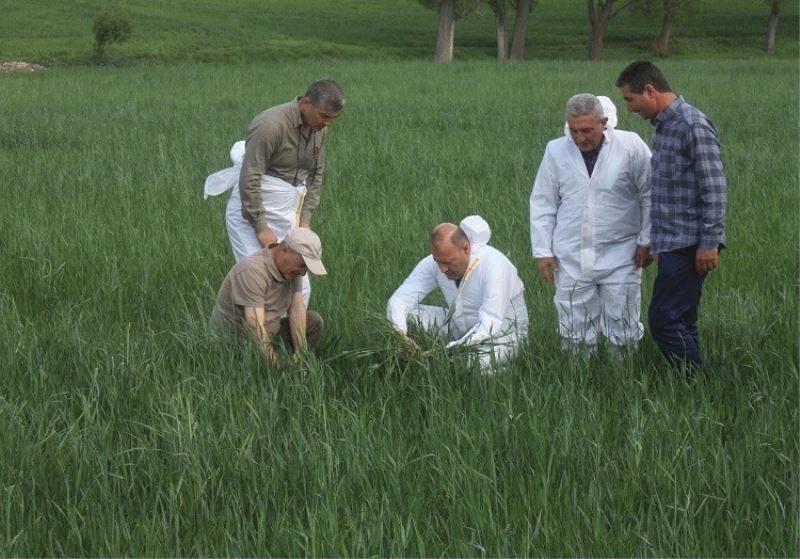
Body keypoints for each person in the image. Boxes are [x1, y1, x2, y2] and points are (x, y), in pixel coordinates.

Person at [616, 61, 727, 370]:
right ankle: (694, 387)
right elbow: (666, 193)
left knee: (663, 319)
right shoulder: (665, 127)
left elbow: (714, 187)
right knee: (683, 318)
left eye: (630, 99)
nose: (629, 108)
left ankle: (696, 379)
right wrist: (653, 242)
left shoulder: (692, 124)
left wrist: (709, 243)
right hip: (672, 243)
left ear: (650, 91)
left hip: (690, 243)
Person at [530, 94, 653, 358]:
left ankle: (622, 373)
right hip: (570, 252)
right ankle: (578, 374)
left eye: (586, 130)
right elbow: (543, 201)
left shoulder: (630, 146)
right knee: (573, 325)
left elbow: (650, 194)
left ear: (603, 123)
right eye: (573, 130)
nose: (579, 138)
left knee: (623, 322)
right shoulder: (556, 150)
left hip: (623, 252)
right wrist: (543, 251)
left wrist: (647, 240)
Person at [204, 78, 345, 306]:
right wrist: (261, 227)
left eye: (332, 119)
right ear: (306, 103)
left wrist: (305, 221)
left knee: (300, 284)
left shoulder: (319, 130)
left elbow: (315, 176)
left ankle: (292, 330)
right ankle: (244, 327)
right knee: (259, 277)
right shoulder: (270, 125)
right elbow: (250, 177)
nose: (326, 123)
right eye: (323, 116)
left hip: (288, 215)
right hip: (251, 215)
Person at [387, 215, 528, 373]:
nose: (442, 269)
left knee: (464, 367)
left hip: (502, 338)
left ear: (465, 249)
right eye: (438, 261)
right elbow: (400, 299)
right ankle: (411, 360)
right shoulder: (437, 261)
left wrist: (446, 352)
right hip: (459, 327)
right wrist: (400, 334)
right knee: (409, 317)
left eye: (447, 263)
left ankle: (504, 372)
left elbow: (489, 325)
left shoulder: (495, 267)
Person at [209, 227, 327, 365]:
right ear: (284, 250)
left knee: (314, 323)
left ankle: (294, 363)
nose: (302, 273)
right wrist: (277, 365)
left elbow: (296, 309)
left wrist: (300, 353)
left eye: (306, 269)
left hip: (270, 333)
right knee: (267, 362)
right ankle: (266, 365)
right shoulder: (252, 271)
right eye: (302, 265)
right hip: (240, 343)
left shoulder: (294, 272)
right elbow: (254, 325)